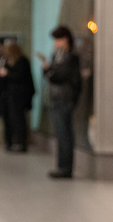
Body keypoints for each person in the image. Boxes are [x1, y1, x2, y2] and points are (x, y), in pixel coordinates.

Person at [38, 25, 82, 179]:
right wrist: (48, 69)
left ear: (65, 40)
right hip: (56, 97)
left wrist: (50, 70)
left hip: (65, 99)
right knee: (60, 133)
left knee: (64, 134)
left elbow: (59, 76)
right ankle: (61, 166)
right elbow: (50, 74)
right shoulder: (58, 56)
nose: (55, 43)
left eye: (57, 40)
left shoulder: (71, 57)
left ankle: (65, 168)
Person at [0, 42, 34, 153]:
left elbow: (20, 77)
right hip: (11, 95)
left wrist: (7, 73)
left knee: (19, 120)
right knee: (12, 119)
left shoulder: (22, 62)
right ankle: (13, 142)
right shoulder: (11, 62)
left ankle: (21, 143)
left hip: (20, 96)